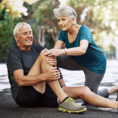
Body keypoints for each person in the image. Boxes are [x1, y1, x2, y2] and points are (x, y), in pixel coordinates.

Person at [7, 22, 118, 113]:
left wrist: (64, 89)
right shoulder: (14, 53)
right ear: (16, 37)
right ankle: (64, 100)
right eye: (25, 33)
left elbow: (53, 65)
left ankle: (115, 105)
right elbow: (20, 81)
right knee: (46, 55)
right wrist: (44, 76)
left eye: (30, 33)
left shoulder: (36, 48)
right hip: (25, 95)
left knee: (84, 90)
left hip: (46, 93)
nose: (29, 36)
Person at [43, 6, 109, 97]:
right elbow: (55, 52)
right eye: (58, 20)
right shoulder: (63, 32)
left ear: (73, 19)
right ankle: (62, 90)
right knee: (50, 59)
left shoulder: (84, 30)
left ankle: (113, 89)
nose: (60, 23)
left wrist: (62, 51)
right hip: (77, 61)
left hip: (95, 64)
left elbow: (82, 49)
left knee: (89, 98)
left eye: (63, 19)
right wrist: (48, 53)